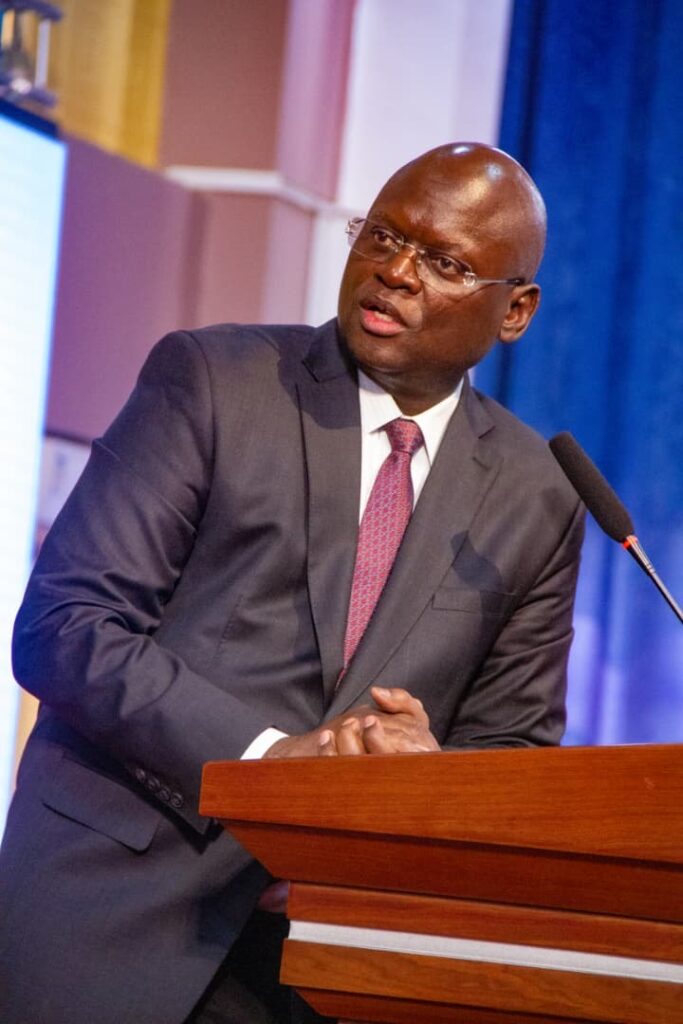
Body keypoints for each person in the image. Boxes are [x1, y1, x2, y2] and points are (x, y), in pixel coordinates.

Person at [0, 142, 584, 1024]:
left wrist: (422, 785)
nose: (395, 272)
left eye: (444, 262)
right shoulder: (214, 382)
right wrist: (273, 764)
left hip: (330, 957)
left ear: (515, 311)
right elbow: (67, 626)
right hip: (112, 912)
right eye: (382, 236)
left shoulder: (538, 493)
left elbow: (509, 753)